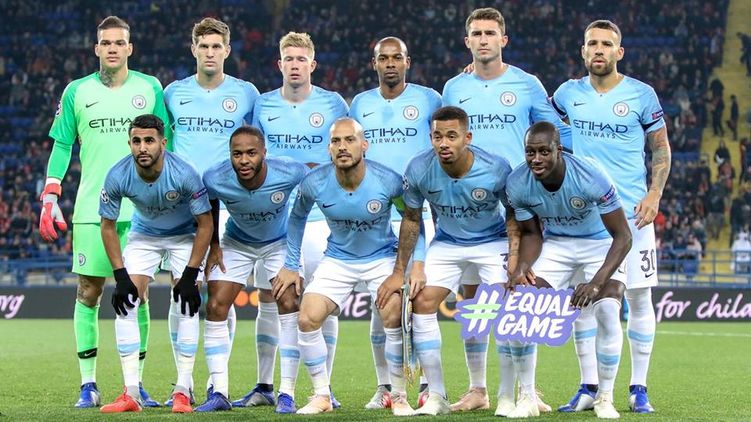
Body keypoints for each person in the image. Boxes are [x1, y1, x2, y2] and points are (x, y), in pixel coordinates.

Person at [39, 15, 170, 408]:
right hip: (93, 209)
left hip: (143, 210)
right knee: (88, 291)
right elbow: (63, 144)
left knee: (139, 295)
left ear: (130, 48)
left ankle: (136, 385)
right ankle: (88, 384)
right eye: (106, 42)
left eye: (119, 42)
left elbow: (168, 141)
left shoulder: (150, 87)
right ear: (96, 48)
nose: (113, 48)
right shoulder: (76, 91)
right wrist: (50, 193)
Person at [441, 7, 567, 412]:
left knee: (520, 295)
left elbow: (555, 135)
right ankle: (478, 389)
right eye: (477, 34)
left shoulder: (527, 84)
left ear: (503, 40)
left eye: (490, 33)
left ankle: (526, 390)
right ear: (467, 42)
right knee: (473, 297)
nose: (483, 40)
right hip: (469, 206)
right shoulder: (454, 88)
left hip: (519, 205)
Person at [551, 19, 672, 414]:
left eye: (606, 44)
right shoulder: (567, 94)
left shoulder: (641, 94)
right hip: (586, 217)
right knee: (582, 301)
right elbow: (537, 118)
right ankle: (588, 387)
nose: (598, 50)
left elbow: (660, 147)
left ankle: (639, 387)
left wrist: (655, 193)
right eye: (592, 44)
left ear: (619, 52)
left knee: (638, 298)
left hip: (633, 215)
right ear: (583, 51)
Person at [234, 31, 348, 409]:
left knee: (321, 299)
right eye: (289, 59)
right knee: (269, 298)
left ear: (312, 64)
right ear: (279, 64)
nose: (295, 65)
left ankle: (323, 387)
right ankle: (265, 385)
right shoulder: (263, 105)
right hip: (273, 218)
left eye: (301, 59)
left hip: (319, 217)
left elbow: (346, 153)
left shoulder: (333, 104)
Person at [377, 106, 515, 416]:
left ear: (468, 137)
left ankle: (506, 395)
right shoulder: (419, 168)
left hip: (491, 241)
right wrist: (410, 267)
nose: (443, 143)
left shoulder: (496, 168)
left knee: (499, 309)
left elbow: (514, 213)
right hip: (448, 243)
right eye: (437, 136)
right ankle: (437, 395)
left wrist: (516, 258)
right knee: (422, 302)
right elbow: (412, 219)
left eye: (451, 136)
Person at [274, 118, 412, 416]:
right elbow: (296, 218)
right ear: (329, 148)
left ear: (364, 145)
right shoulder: (314, 182)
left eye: (350, 140)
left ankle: (399, 396)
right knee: (307, 318)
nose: (342, 147)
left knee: (392, 315)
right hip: (338, 258)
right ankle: (321, 395)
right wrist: (290, 264)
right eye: (336, 141)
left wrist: (402, 270)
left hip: (381, 257)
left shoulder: (388, 180)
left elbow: (412, 220)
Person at [506, 121, 632, 418]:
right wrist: (521, 268)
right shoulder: (517, 182)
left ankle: (605, 398)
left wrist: (597, 283)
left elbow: (623, 236)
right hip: (558, 245)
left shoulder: (590, 175)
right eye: (530, 152)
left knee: (606, 310)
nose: (536, 159)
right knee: (519, 307)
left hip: (600, 243)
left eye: (544, 152)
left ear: (558, 150)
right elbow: (532, 233)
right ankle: (527, 397)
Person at [164, 16, 259, 406]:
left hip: (227, 207)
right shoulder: (172, 93)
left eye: (216, 46)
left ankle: (216, 381)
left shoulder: (247, 94)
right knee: (181, 291)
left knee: (222, 292)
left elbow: (257, 147)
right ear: (193, 49)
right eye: (203, 46)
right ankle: (183, 382)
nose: (209, 52)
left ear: (227, 50)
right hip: (182, 206)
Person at [97, 114, 212, 413]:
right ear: (129, 143)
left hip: (184, 235)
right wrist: (120, 276)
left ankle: (183, 390)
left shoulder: (184, 172)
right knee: (126, 302)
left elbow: (205, 223)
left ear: (163, 142)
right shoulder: (118, 174)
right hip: (144, 235)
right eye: (136, 141)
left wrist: (190, 275)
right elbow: (107, 226)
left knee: (186, 303)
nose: (142, 147)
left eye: (149, 140)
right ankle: (131, 393)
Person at [348, 36, 439, 410]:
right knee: (382, 302)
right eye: (383, 58)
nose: (390, 63)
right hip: (376, 216)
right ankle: (385, 386)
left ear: (407, 62)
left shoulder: (429, 99)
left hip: (420, 212)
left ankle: (426, 386)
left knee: (419, 300)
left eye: (396, 57)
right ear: (374, 64)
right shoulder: (360, 104)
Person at [198, 126, 307, 412]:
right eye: (237, 154)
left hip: (279, 242)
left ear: (264, 153)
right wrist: (214, 246)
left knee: (289, 301)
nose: (244, 160)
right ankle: (218, 392)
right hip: (237, 242)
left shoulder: (289, 171)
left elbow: (313, 184)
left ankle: (286, 393)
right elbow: (210, 204)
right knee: (215, 306)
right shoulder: (214, 177)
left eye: (251, 153)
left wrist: (292, 260)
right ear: (229, 155)